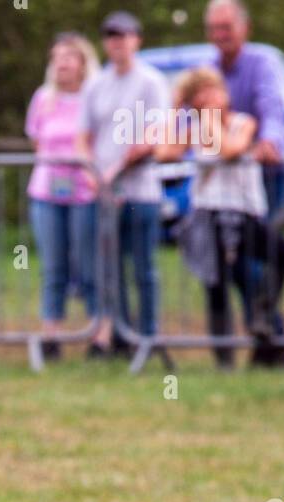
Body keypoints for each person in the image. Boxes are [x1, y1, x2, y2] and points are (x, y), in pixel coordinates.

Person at [158, 68, 284, 368]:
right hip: (209, 216)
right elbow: (165, 152)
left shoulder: (243, 123)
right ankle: (225, 360)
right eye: (201, 94)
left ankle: (264, 318)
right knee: (215, 284)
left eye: (213, 90)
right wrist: (175, 108)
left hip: (244, 214)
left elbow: (230, 149)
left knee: (280, 253)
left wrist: (209, 120)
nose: (209, 98)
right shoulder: (195, 130)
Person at [204, 0, 284, 364]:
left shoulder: (261, 64)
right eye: (214, 29)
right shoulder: (207, 70)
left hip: (261, 181)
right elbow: (191, 120)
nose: (220, 36)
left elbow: (271, 108)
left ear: (246, 28)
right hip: (221, 192)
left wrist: (270, 142)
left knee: (268, 256)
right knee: (242, 266)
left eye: (226, 27)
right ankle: (271, 343)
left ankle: (268, 337)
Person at [78, 11, 171, 357]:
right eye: (111, 36)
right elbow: (83, 136)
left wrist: (115, 170)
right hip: (103, 194)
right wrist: (93, 175)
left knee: (143, 268)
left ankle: (148, 335)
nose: (117, 43)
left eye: (123, 35)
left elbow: (152, 136)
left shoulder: (151, 82)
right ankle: (118, 333)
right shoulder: (96, 85)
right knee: (108, 269)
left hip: (140, 191)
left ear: (137, 40)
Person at [26, 33, 100, 357]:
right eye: (56, 57)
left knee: (89, 265)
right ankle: (51, 335)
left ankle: (99, 335)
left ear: (84, 63)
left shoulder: (95, 98)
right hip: (47, 192)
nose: (61, 63)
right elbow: (37, 142)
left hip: (86, 192)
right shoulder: (43, 98)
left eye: (69, 57)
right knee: (53, 267)